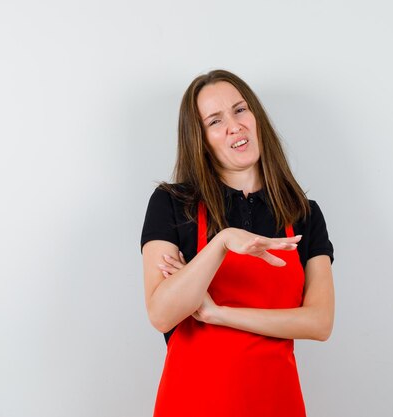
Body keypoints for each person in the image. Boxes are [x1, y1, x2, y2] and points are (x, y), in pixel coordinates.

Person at [140, 69, 335, 417]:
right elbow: (162, 312)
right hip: (192, 405)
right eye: (215, 120)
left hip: (277, 404)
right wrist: (222, 242)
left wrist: (218, 314)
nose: (234, 125)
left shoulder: (303, 214)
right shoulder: (172, 204)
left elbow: (319, 322)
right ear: (200, 139)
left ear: (256, 117)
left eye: (240, 110)